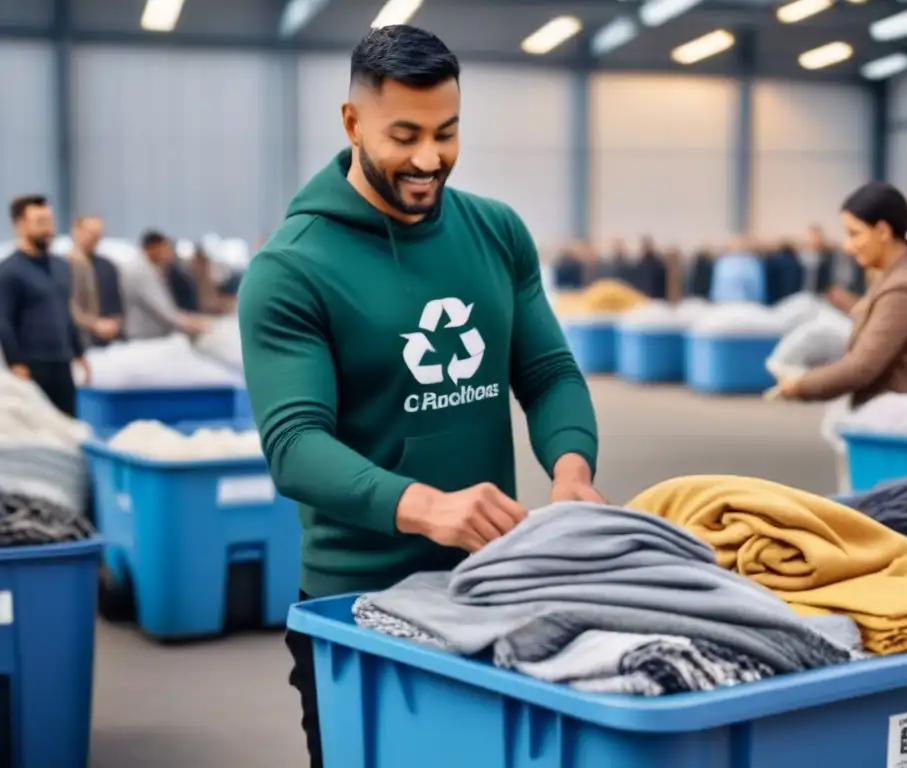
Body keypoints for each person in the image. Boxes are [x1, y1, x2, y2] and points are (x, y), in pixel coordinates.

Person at [236, 25, 601, 768]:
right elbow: (296, 448)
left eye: (447, 132)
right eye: (404, 135)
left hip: (487, 587)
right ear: (352, 123)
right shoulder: (292, 269)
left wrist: (571, 472)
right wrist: (429, 506)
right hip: (358, 608)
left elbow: (549, 373)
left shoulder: (496, 232)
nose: (430, 159)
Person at [777, 181, 907, 408]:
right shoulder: (891, 278)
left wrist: (800, 384)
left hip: (898, 424)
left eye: (854, 234)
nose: (848, 246)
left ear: (882, 232)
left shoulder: (904, 288)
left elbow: (860, 368)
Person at [0, 195, 89, 415]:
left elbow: (66, 312)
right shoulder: (10, 271)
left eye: (50, 222)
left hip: (62, 362)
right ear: (20, 225)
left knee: (68, 428)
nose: (47, 229)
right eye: (40, 223)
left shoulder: (60, 267)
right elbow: (4, 320)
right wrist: (15, 362)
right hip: (31, 366)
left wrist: (79, 352)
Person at [120, 230, 210, 340]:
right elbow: (163, 311)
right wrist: (192, 324)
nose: (169, 254)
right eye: (165, 249)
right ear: (153, 248)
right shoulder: (140, 271)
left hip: (150, 335)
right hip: (143, 337)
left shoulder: (151, 269)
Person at [67, 214, 124, 348]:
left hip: (110, 342)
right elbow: (67, 306)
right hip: (79, 340)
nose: (94, 238)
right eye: (90, 232)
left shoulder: (107, 266)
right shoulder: (64, 266)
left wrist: (114, 324)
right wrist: (94, 324)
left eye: (98, 234)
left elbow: (117, 303)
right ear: (75, 230)